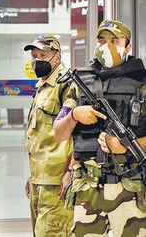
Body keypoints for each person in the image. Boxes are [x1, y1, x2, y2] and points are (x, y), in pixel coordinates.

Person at [54, 20, 146, 237]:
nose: (107, 46)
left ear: (128, 46)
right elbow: (59, 133)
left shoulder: (141, 82)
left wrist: (124, 147)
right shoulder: (80, 81)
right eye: (102, 40)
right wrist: (74, 116)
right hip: (87, 187)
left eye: (115, 41)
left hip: (129, 187)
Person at [23, 35, 75, 236]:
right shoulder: (42, 86)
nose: (36, 60)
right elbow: (40, 136)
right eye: (34, 56)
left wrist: (70, 172)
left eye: (42, 55)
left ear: (57, 57)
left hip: (58, 181)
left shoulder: (67, 85)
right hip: (40, 179)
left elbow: (76, 133)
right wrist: (33, 176)